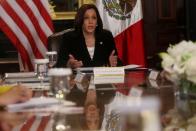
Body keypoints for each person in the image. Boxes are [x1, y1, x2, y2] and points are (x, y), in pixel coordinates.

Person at [56, 4, 122, 68]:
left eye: (94, 18)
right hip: (78, 78)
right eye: (86, 18)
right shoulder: (69, 38)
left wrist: (113, 63)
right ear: (81, 20)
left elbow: (118, 62)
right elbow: (59, 64)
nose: (91, 22)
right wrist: (68, 64)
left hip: (102, 78)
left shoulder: (106, 36)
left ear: (97, 21)